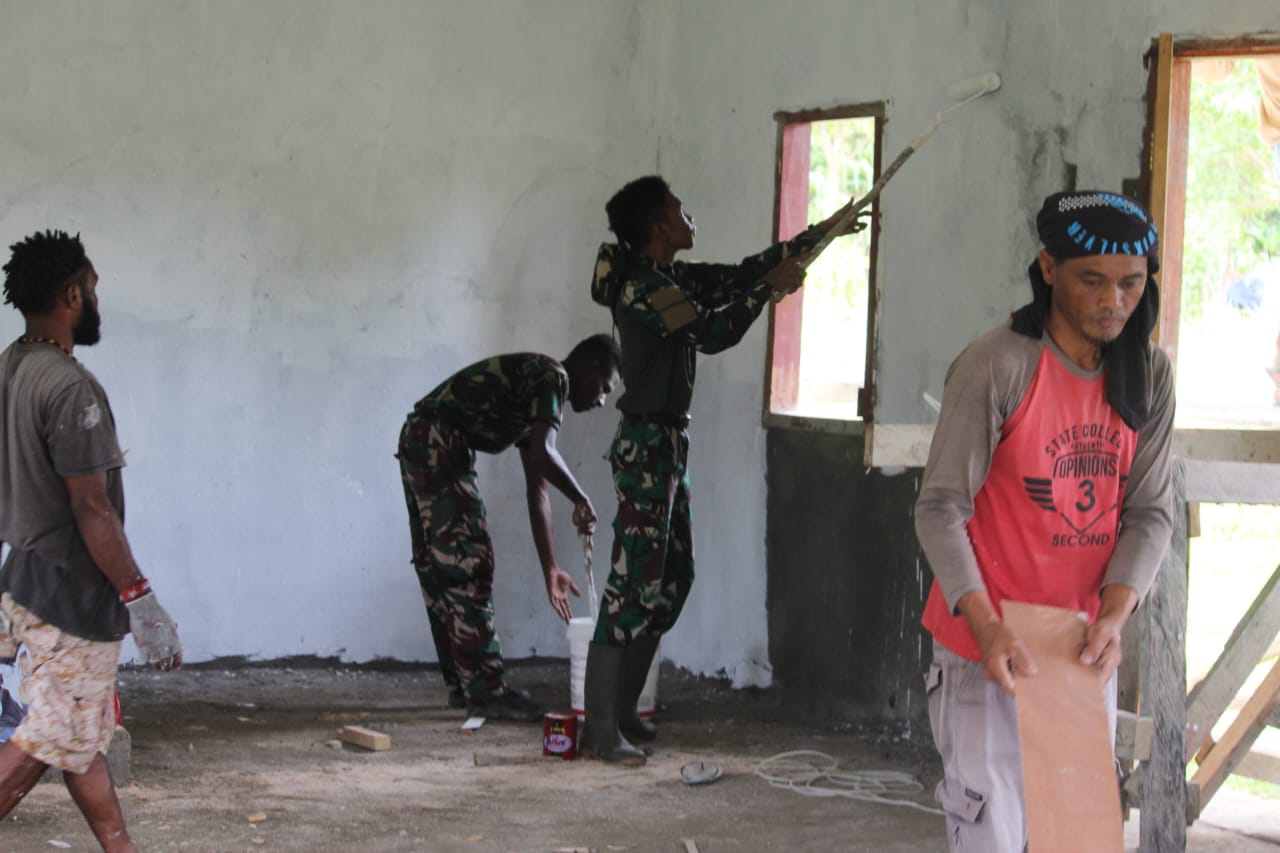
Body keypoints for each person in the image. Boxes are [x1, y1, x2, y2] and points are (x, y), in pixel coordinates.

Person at [915, 191, 1176, 851]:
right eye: (1093, 280)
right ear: (1049, 267)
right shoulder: (997, 363)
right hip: (985, 645)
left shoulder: (1148, 374)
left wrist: (1114, 620)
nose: (1114, 299)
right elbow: (940, 506)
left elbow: (1148, 513)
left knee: (1074, 836)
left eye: (1130, 282)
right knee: (991, 834)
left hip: (1080, 645)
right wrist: (985, 621)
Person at [581, 175, 865, 764]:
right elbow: (713, 331)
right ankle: (600, 731)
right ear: (660, 227)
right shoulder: (641, 288)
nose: (691, 217)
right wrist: (769, 291)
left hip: (667, 445)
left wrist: (822, 235)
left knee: (671, 580)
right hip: (646, 447)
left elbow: (743, 273)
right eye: (681, 210)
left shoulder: (669, 277)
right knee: (631, 587)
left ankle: (625, 713)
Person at [0, 230, 183, 853]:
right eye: (95, 288)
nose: (99, 300)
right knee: (49, 737)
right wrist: (140, 598)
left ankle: (119, 846)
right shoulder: (72, 389)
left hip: (25, 578)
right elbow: (91, 504)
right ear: (73, 294)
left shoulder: (15, 363)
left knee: (84, 735)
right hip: (69, 595)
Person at [397, 334, 621, 721]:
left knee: (439, 567)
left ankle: (464, 684)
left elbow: (539, 492)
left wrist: (551, 569)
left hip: (423, 437)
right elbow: (545, 453)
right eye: (604, 389)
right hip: (438, 440)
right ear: (591, 368)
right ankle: (486, 692)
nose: (601, 401)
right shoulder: (553, 378)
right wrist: (583, 498)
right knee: (469, 562)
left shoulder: (535, 397)